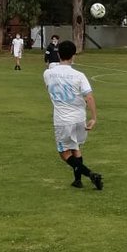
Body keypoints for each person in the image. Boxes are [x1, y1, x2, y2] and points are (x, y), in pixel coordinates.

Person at [43, 40, 103, 190]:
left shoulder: (48, 74)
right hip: (80, 118)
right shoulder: (79, 75)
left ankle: (91, 174)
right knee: (75, 147)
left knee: (64, 153)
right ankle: (77, 181)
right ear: (73, 55)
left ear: (58, 54)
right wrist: (93, 118)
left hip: (63, 119)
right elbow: (89, 97)